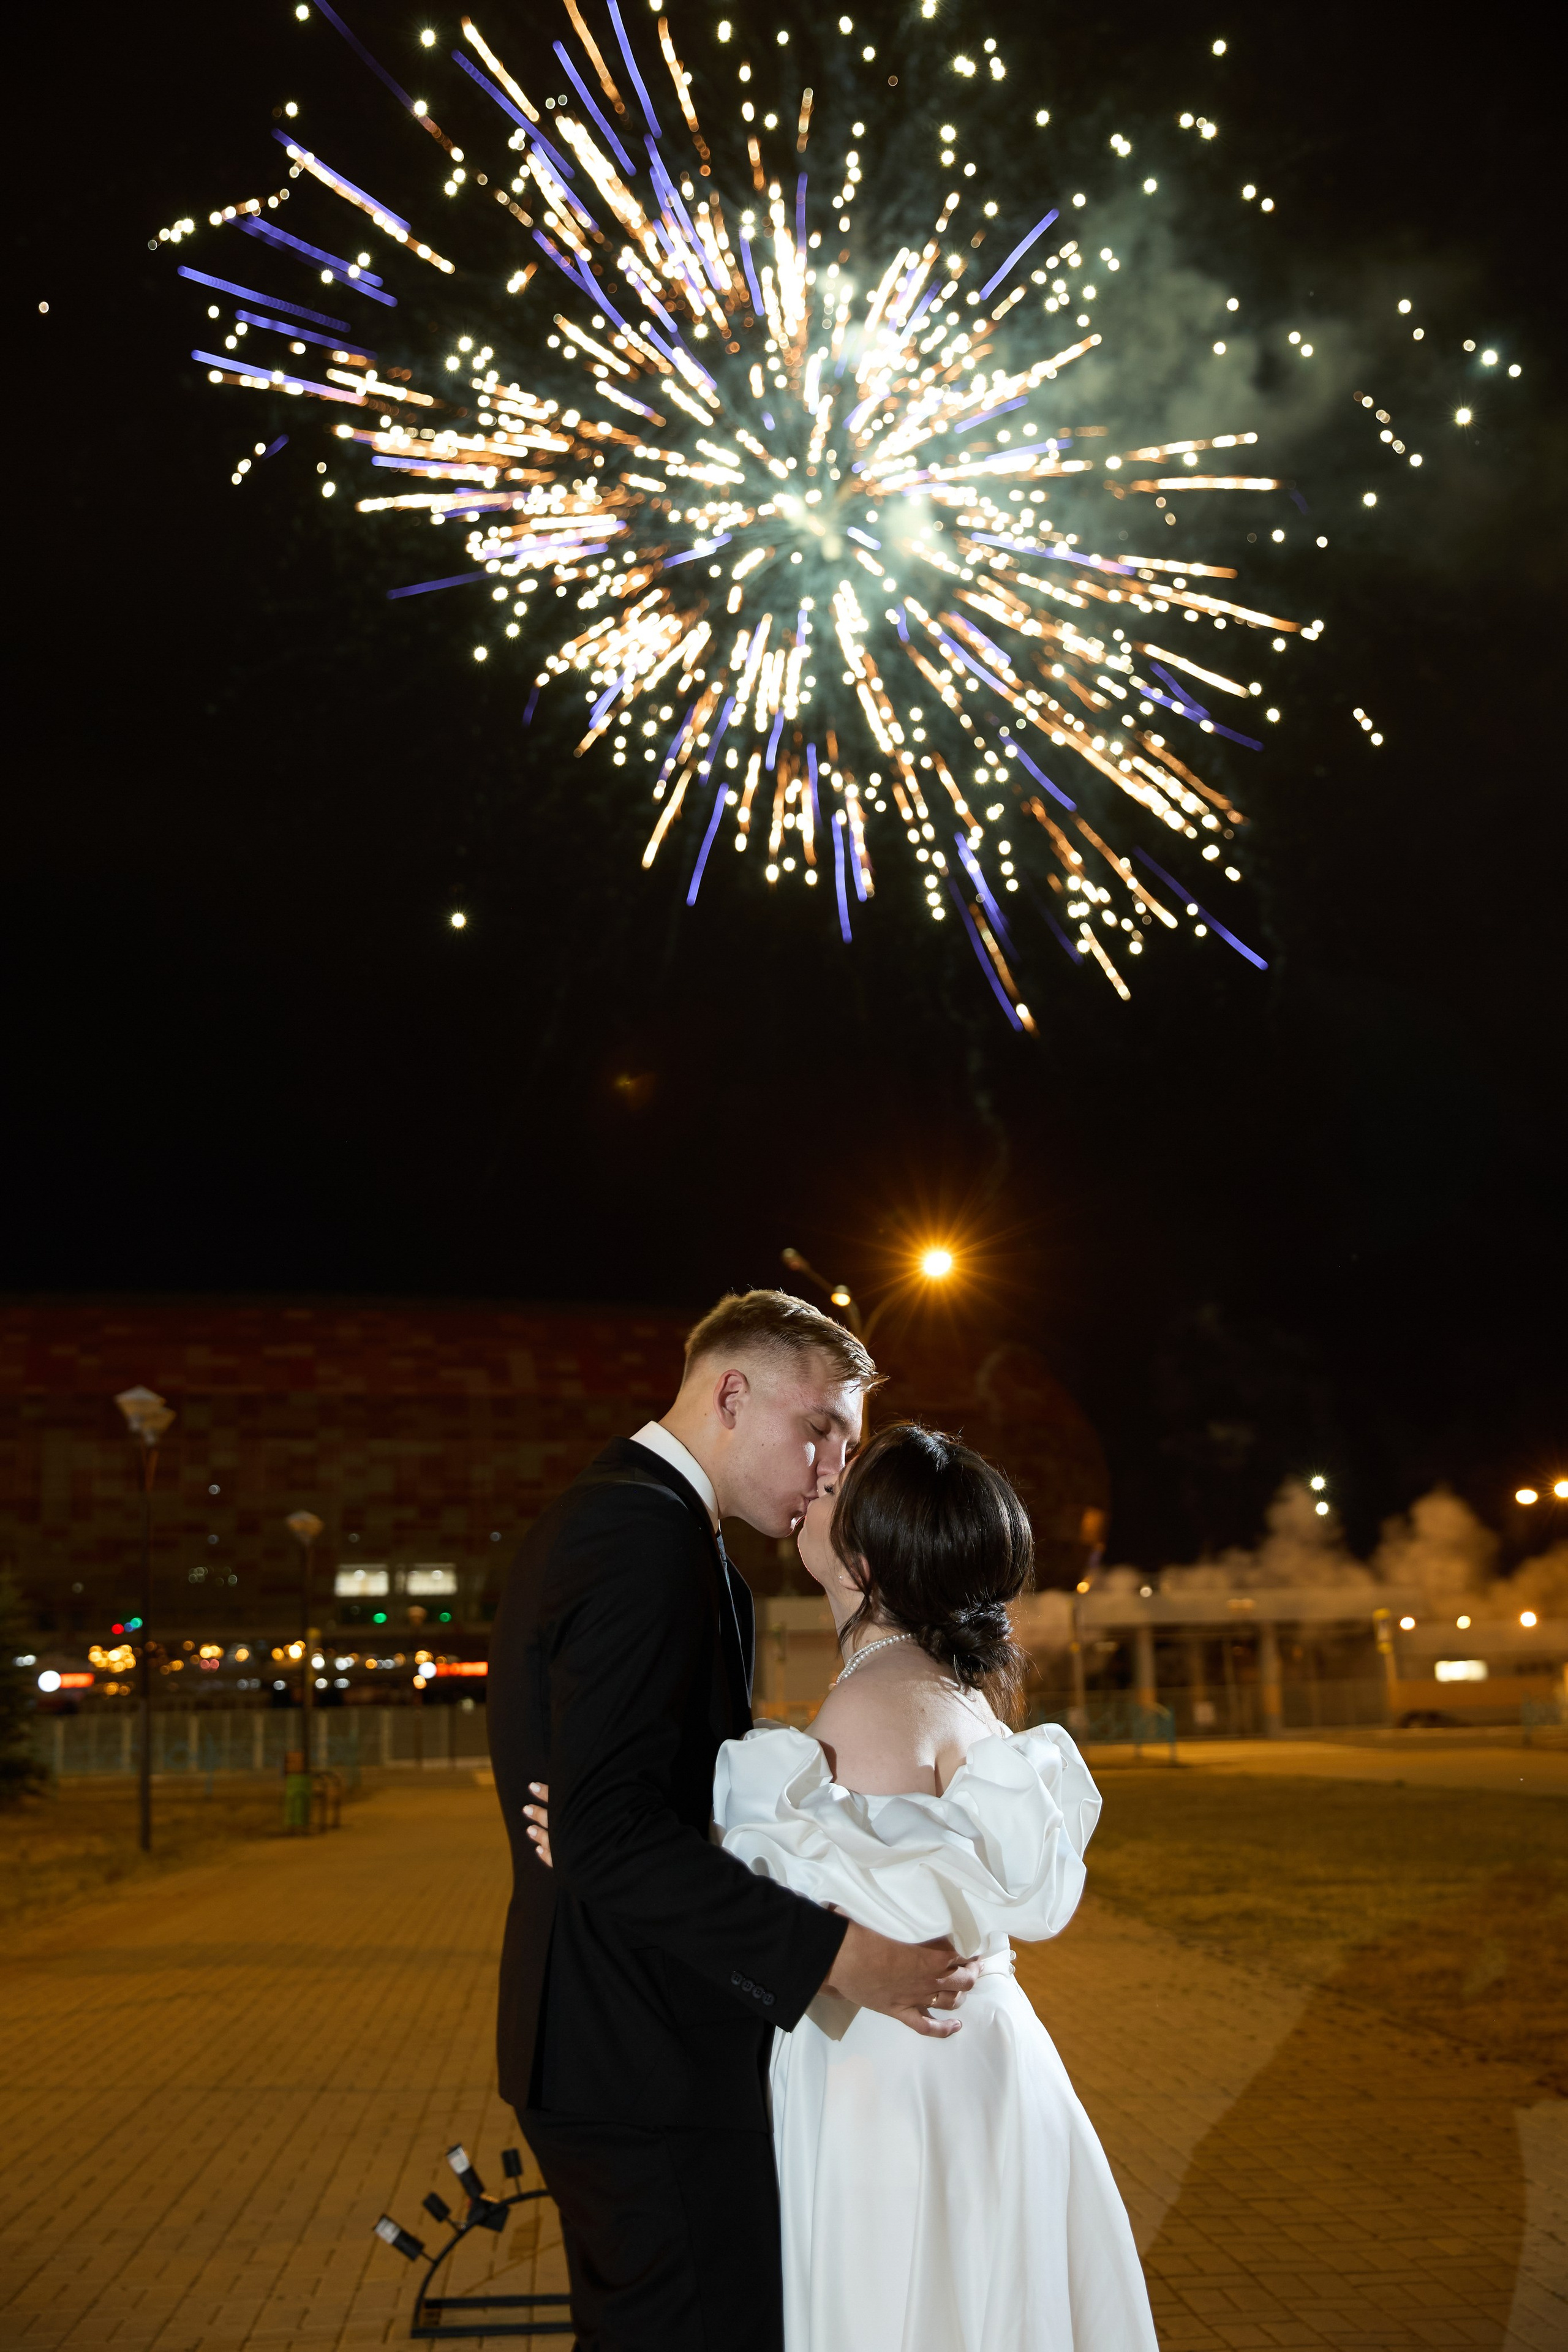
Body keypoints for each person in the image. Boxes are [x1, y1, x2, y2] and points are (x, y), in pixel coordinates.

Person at [488, 1292, 981, 2352]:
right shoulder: (638, 1536)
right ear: (731, 1392)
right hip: (637, 2050)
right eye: (820, 1431)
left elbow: (610, 1813)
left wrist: (628, 1823)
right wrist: (838, 1957)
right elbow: (612, 1828)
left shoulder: (650, 1527)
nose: (833, 1471)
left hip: (626, 2041)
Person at [712, 1422, 1159, 2351]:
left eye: (839, 1489)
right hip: (985, 2062)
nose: (816, 1483)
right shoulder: (957, 1696)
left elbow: (828, 1917)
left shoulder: (868, 1704)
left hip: (893, 2076)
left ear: (866, 1561)